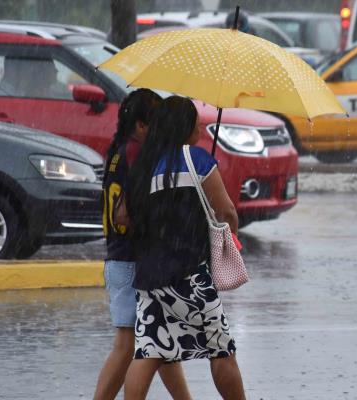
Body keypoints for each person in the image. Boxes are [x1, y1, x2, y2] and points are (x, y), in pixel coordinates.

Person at [124, 96, 245, 400]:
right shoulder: (197, 159)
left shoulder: (145, 164)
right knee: (221, 350)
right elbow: (227, 211)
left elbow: (122, 215)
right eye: (196, 121)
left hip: (150, 275)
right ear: (183, 126)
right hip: (189, 274)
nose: (202, 126)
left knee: (148, 351)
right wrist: (228, 237)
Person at [94, 89, 192, 400]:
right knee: (126, 346)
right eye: (154, 123)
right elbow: (132, 210)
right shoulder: (137, 153)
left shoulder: (119, 151)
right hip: (130, 258)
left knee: (159, 342)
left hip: (121, 256)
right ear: (140, 126)